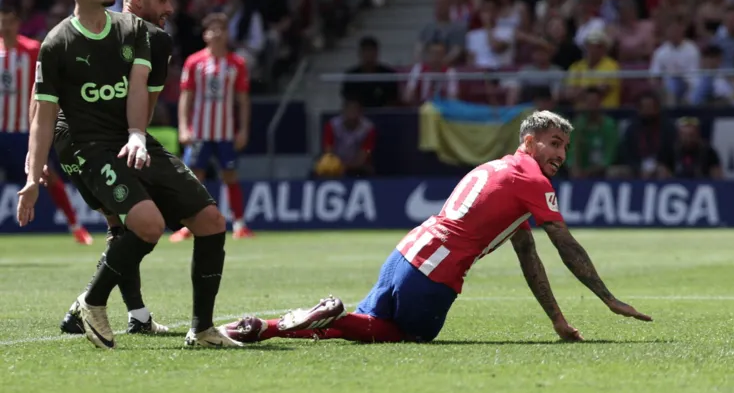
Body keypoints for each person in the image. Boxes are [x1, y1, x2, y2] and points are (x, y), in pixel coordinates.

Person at [223, 111, 652, 344]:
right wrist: (608, 299)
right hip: (436, 274)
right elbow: (564, 244)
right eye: (554, 143)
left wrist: (558, 319)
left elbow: (528, 253)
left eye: (565, 147)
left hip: (405, 254)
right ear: (528, 142)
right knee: (405, 334)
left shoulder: (497, 170)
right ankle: (327, 314)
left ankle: (267, 327)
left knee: (364, 325)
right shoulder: (532, 181)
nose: (560, 154)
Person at [19, 0, 239, 350]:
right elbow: (43, 110)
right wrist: (35, 171)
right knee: (141, 224)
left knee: (210, 221)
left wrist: (137, 135)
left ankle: (201, 329)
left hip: (130, 137)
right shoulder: (56, 44)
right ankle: (96, 303)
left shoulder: (141, 34)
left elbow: (142, 93)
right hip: (86, 146)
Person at [56, 0, 178, 337]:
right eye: (162, 0)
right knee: (144, 224)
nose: (169, 9)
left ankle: (137, 316)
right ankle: (88, 304)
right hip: (97, 141)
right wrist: (135, 137)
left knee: (122, 226)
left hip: (74, 139)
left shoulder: (99, 27)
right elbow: (148, 103)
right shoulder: (151, 39)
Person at [0, 3, 93, 245]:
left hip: (24, 130)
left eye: (8, 20)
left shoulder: (32, 50)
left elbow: (50, 85)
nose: (4, 26)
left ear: (17, 23)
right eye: (1, 20)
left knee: (47, 175)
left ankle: (75, 225)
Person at [170, 13, 253, 242]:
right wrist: (184, 127)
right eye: (212, 30)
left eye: (221, 29)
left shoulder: (237, 64)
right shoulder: (194, 62)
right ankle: (189, 226)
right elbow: (186, 96)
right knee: (194, 179)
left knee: (230, 176)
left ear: (227, 34)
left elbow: (243, 100)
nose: (217, 33)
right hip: (200, 131)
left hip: (225, 132)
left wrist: (243, 129)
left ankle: (239, 224)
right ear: (205, 35)